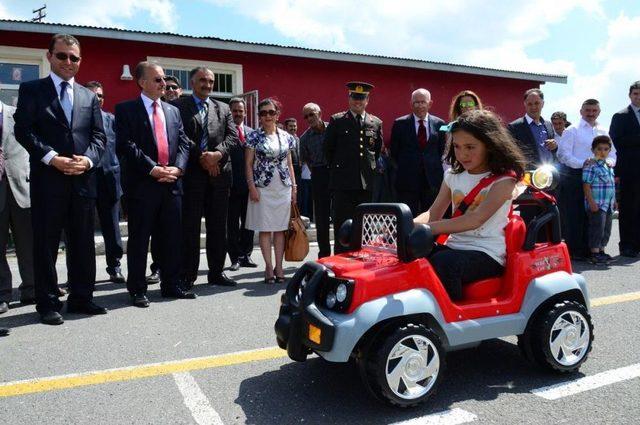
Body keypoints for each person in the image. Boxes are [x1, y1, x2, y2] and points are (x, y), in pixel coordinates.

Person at [14, 34, 107, 325]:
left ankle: (81, 298)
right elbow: (24, 131)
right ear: (50, 56)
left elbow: (99, 136)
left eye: (74, 57)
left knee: (82, 243)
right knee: (46, 244)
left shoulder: (89, 96)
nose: (68, 62)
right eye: (63, 56)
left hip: (82, 181)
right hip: (48, 181)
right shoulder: (32, 90)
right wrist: (52, 158)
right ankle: (47, 303)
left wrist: (88, 160)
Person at [415, 109, 526, 300]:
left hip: (487, 253)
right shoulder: (452, 175)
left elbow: (475, 219)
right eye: (457, 147)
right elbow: (433, 212)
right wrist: (407, 225)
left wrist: (426, 229)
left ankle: (450, 321)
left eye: (470, 147)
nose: (462, 154)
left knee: (444, 263)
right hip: (455, 247)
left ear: (490, 145)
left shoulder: (504, 180)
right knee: (414, 254)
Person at [115, 61, 195, 308]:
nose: (164, 84)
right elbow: (126, 145)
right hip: (143, 186)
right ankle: (137, 289)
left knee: (171, 238)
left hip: (171, 184)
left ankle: (171, 284)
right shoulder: (126, 110)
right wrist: (153, 169)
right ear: (142, 82)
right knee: (140, 239)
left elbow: (183, 142)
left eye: (163, 79)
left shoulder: (172, 111)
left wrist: (178, 168)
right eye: (158, 79)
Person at [174, 67, 238, 289]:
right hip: (192, 176)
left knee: (218, 228)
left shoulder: (223, 108)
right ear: (192, 82)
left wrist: (217, 155)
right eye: (203, 80)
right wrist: (202, 157)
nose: (208, 85)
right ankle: (188, 274)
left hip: (219, 176)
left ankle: (217, 273)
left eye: (211, 81)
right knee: (190, 228)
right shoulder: (179, 106)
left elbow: (232, 137)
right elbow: (179, 135)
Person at [324, 82, 382, 253]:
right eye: (355, 97)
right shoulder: (337, 120)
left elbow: (376, 151)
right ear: (349, 98)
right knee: (342, 225)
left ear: (367, 100)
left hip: (366, 184)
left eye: (362, 98)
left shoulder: (376, 122)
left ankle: (362, 258)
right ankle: (341, 261)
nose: (358, 101)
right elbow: (328, 150)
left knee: (365, 225)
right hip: (343, 183)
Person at [245, 98, 297, 283]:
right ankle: (268, 267)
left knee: (281, 229)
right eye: (263, 113)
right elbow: (248, 164)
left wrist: (294, 187)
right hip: (262, 187)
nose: (267, 116)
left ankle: (279, 266)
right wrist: (251, 187)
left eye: (271, 112)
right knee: (266, 230)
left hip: (283, 187)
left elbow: (289, 163)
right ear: (259, 116)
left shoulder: (287, 136)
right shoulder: (253, 136)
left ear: (277, 114)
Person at [558, 99, 615, 260]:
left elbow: (612, 153)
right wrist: (583, 163)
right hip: (576, 175)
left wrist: (609, 163)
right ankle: (576, 251)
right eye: (588, 110)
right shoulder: (572, 130)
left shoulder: (603, 130)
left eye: (594, 111)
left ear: (599, 112)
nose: (591, 114)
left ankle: (593, 250)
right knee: (576, 215)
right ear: (581, 111)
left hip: (599, 178)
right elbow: (563, 155)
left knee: (595, 217)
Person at [146, 74, 185, 282]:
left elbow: (186, 143)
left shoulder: (181, 111)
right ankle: (158, 267)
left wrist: (178, 168)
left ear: (180, 91)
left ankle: (177, 271)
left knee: (176, 230)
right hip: (152, 179)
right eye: (165, 86)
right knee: (157, 231)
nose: (169, 90)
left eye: (173, 87)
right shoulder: (150, 110)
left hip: (180, 179)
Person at [84, 81, 124, 283]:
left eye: (100, 96)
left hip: (109, 179)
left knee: (112, 227)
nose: (97, 99)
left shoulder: (112, 120)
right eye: (93, 95)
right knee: (82, 228)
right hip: (85, 180)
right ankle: (83, 272)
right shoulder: (79, 121)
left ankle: (115, 266)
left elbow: (123, 149)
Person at [0, 92, 35, 312]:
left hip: (22, 187)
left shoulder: (17, 115)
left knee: (28, 243)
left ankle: (31, 288)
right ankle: (3, 293)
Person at [390, 88, 446, 216]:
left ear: (430, 103)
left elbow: (441, 150)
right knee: (408, 217)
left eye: (423, 102)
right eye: (416, 102)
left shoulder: (440, 124)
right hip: (407, 181)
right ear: (411, 104)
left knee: (431, 216)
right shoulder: (400, 124)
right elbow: (394, 152)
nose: (420, 105)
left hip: (432, 181)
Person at [609, 81, 640, 258]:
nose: (638, 97)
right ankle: (627, 245)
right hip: (628, 171)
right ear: (630, 95)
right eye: (635, 93)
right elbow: (615, 142)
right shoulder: (620, 116)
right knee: (628, 209)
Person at [227, 97, 256, 271]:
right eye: (234, 111)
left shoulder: (252, 133)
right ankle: (235, 257)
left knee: (249, 223)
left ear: (245, 112)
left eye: (240, 111)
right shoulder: (224, 131)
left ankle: (246, 255)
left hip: (249, 186)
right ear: (230, 113)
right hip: (230, 186)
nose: (238, 113)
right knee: (231, 225)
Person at [299, 103, 331, 258]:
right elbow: (307, 161)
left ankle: (342, 252)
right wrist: (318, 173)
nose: (309, 118)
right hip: (318, 174)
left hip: (337, 173)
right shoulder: (304, 138)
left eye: (311, 114)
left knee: (340, 213)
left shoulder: (333, 129)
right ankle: (324, 253)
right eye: (305, 116)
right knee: (321, 217)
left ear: (320, 113)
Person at [583, 135, 616, 265]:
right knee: (597, 228)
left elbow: (611, 185)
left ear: (609, 151)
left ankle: (602, 250)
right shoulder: (591, 165)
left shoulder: (608, 166)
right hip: (597, 203)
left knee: (606, 228)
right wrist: (591, 202)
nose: (602, 152)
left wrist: (614, 201)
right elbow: (586, 185)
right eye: (599, 149)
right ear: (593, 150)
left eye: (606, 149)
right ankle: (594, 253)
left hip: (608, 204)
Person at [507, 88, 557, 168]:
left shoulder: (548, 125)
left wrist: (554, 147)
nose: (533, 107)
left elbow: (553, 151)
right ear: (525, 104)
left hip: (549, 175)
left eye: (537, 103)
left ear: (543, 104)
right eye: (530, 104)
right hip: (527, 175)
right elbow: (509, 154)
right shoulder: (514, 127)